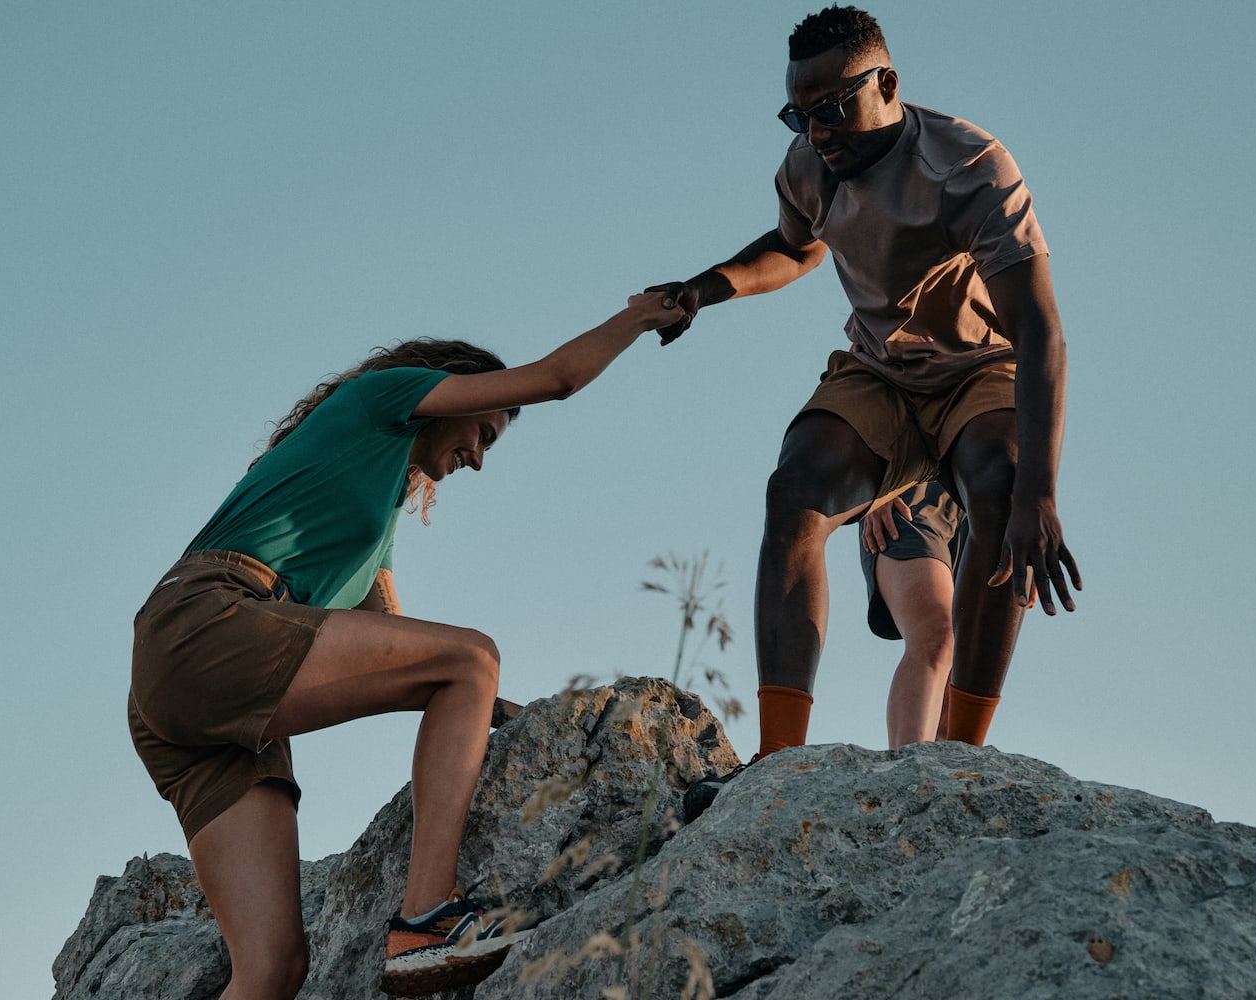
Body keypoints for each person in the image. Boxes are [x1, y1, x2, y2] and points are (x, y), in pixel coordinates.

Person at [127, 292, 686, 999]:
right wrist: (639, 317)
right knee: (472, 654)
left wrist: (503, 710)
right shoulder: (384, 395)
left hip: (191, 694)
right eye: (484, 431)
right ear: (445, 392)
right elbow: (556, 379)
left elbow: (399, 645)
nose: (480, 459)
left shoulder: (374, 515)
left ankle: (418, 928)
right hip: (208, 622)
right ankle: (426, 921)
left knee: (270, 970)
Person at [656, 5, 1083, 816]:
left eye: (832, 110)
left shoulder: (970, 167)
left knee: (1000, 487)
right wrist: (704, 289)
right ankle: (777, 765)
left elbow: (1039, 332)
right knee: (797, 492)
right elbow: (795, 247)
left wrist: (1040, 497)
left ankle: (960, 760)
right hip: (879, 372)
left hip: (977, 369)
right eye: (798, 114)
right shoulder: (810, 165)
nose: (817, 133)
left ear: (886, 85)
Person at [859, 481, 963, 747]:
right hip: (915, 485)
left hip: (993, 492)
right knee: (937, 633)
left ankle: (942, 781)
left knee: (963, 664)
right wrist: (881, 483)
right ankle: (907, 776)